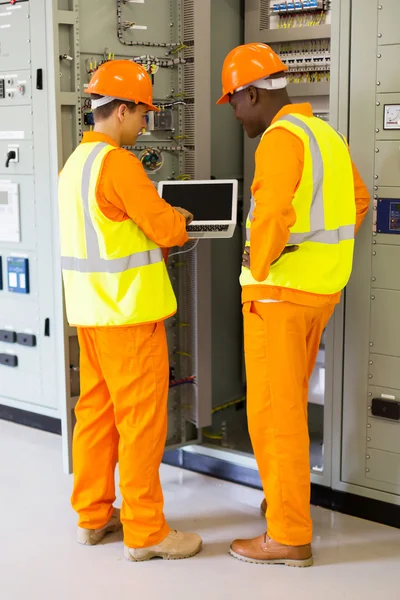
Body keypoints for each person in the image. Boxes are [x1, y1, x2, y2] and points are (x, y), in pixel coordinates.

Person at [217, 43, 370, 567]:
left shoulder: (281, 139)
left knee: (273, 416)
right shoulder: (323, 133)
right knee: (289, 408)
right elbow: (359, 199)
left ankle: (287, 535)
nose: (234, 114)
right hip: (318, 293)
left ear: (253, 94)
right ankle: (282, 501)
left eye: (233, 103)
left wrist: (259, 265)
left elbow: (273, 213)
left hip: (277, 298)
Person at [58, 60, 202, 562]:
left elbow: (110, 233)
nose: (146, 124)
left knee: (95, 416)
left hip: (91, 316)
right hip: (130, 317)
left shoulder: (74, 164)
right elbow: (165, 231)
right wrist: (178, 218)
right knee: (141, 423)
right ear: (120, 110)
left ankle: (93, 517)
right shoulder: (118, 164)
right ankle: (147, 532)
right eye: (143, 114)